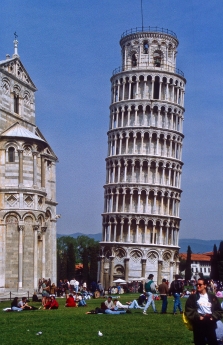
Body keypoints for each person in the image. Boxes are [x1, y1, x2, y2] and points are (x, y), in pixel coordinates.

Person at [185, 278, 222, 345]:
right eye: (197, 284)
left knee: (212, 341)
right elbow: (189, 309)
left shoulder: (212, 297)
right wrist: (198, 317)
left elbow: (218, 310)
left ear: (205, 285)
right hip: (199, 323)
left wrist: (213, 317)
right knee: (199, 342)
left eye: (200, 284)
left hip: (210, 322)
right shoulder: (193, 297)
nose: (198, 286)